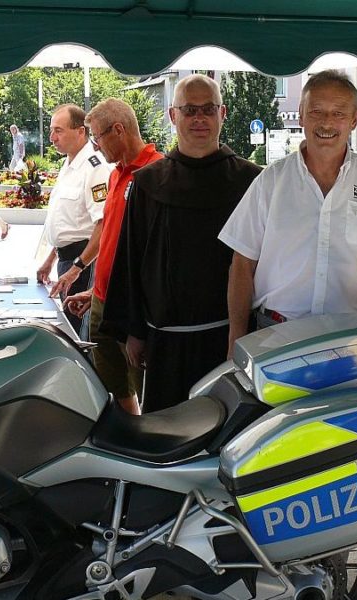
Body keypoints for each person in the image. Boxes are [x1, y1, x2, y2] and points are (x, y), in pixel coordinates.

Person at [220, 70, 357, 352]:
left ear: (354, 120)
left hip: (354, 338)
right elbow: (241, 264)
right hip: (276, 335)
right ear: (300, 115)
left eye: (338, 113)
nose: (326, 122)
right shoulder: (271, 181)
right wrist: (235, 338)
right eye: (316, 111)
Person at [103, 74, 260, 412]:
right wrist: (134, 331)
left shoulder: (252, 181)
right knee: (165, 440)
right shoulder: (147, 183)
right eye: (189, 110)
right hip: (165, 342)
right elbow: (130, 258)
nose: (199, 119)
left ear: (223, 113)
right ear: (173, 116)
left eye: (208, 109)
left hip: (231, 339)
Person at [63, 98, 162, 415]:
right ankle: (130, 440)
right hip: (104, 300)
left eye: (97, 137)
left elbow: (151, 253)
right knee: (112, 387)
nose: (95, 145)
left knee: (143, 386)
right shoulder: (117, 173)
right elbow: (113, 239)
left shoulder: (157, 173)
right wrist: (94, 292)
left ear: (118, 130)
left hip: (133, 308)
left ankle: (145, 448)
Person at [37, 103, 112, 338]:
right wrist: (51, 259)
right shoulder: (69, 163)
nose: (52, 137)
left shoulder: (95, 167)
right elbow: (65, 221)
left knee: (80, 334)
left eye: (58, 130)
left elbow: (103, 224)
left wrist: (78, 268)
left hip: (84, 261)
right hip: (67, 259)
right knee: (69, 327)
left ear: (81, 131)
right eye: (51, 130)